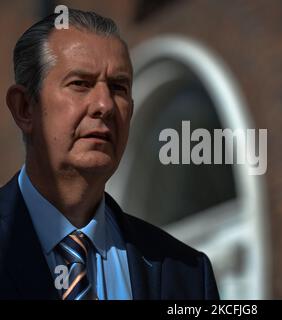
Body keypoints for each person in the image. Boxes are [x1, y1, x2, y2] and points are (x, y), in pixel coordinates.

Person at [0, 8, 219, 300]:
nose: (104, 105)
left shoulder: (186, 273)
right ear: (26, 108)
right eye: (80, 83)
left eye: (118, 87)